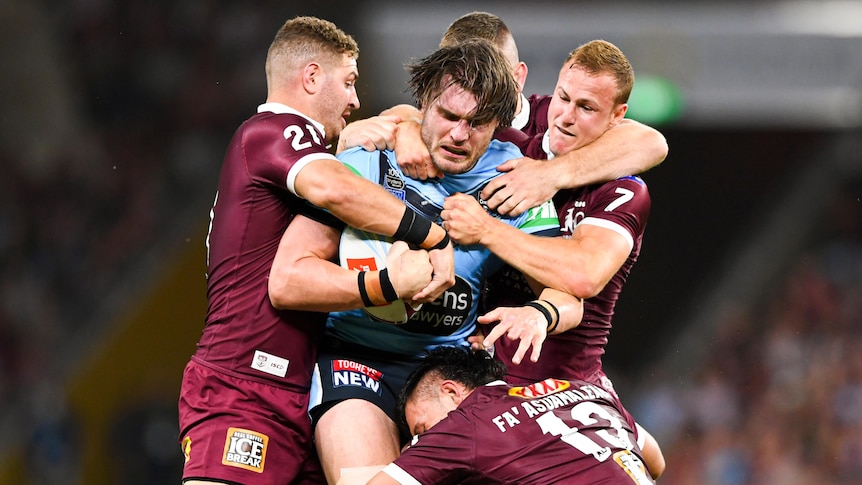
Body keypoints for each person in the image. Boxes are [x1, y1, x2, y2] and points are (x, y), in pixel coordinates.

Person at [267, 39, 584, 484]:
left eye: (476, 124)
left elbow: (569, 290)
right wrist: (382, 286)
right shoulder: (366, 161)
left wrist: (540, 313)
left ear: (497, 125)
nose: (458, 135)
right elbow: (288, 280)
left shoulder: (515, 181)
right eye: (449, 117)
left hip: (449, 373)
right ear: (422, 107)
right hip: (356, 363)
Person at [177, 16, 457, 485]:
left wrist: (398, 128)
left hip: (296, 391)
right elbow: (335, 189)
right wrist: (433, 236)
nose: (355, 98)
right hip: (243, 382)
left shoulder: (303, 147)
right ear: (310, 77)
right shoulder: (269, 131)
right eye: (348, 82)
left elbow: (394, 124)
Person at [441, 39, 666, 478]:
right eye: (563, 97)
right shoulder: (519, 135)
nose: (564, 116)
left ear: (618, 118)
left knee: (649, 463)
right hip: (476, 368)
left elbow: (582, 273)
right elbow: (430, 118)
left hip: (566, 382)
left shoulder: (623, 190)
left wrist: (495, 223)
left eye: (586, 107)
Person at [396, 11, 668, 217]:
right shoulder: (433, 124)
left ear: (518, 77)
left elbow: (650, 143)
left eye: (490, 76)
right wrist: (406, 127)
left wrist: (551, 174)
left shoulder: (558, 120)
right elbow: (380, 127)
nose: (473, 90)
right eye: (459, 77)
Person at [337, 346, 655, 485]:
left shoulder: (466, 424)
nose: (422, 440)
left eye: (422, 428)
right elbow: (655, 460)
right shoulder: (581, 389)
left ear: (451, 391)